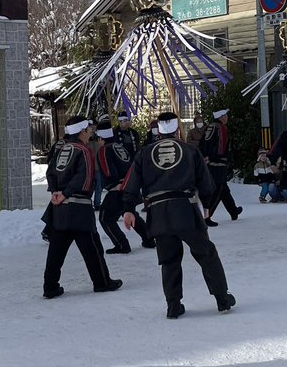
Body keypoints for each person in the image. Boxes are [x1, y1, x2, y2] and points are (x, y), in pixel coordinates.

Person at [121, 112, 234, 319]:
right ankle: (222, 298)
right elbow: (205, 182)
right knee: (206, 253)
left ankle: (173, 305)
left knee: (169, 259)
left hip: (158, 211)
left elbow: (131, 184)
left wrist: (128, 208)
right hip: (185, 209)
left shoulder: (144, 153)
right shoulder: (190, 150)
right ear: (177, 128)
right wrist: (207, 205)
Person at [42, 116, 122, 298]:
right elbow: (84, 179)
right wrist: (67, 193)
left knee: (56, 250)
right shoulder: (83, 150)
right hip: (79, 209)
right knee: (92, 248)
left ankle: (50, 287)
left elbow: (50, 172)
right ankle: (102, 282)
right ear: (82, 131)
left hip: (60, 208)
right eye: (88, 131)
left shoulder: (61, 148)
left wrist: (56, 192)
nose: (90, 134)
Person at [95, 120, 154, 253]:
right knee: (130, 213)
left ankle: (122, 245)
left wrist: (112, 184)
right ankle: (149, 239)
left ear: (100, 138)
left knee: (105, 217)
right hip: (130, 185)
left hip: (119, 188)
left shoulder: (104, 150)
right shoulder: (119, 146)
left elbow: (107, 170)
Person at [200, 108, 243, 225]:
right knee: (218, 189)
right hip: (217, 163)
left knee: (224, 189)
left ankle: (233, 210)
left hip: (212, 161)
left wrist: (205, 155)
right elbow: (220, 147)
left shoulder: (210, 126)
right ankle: (207, 217)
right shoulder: (220, 128)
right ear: (221, 117)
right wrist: (216, 157)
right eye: (225, 115)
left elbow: (203, 142)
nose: (227, 117)